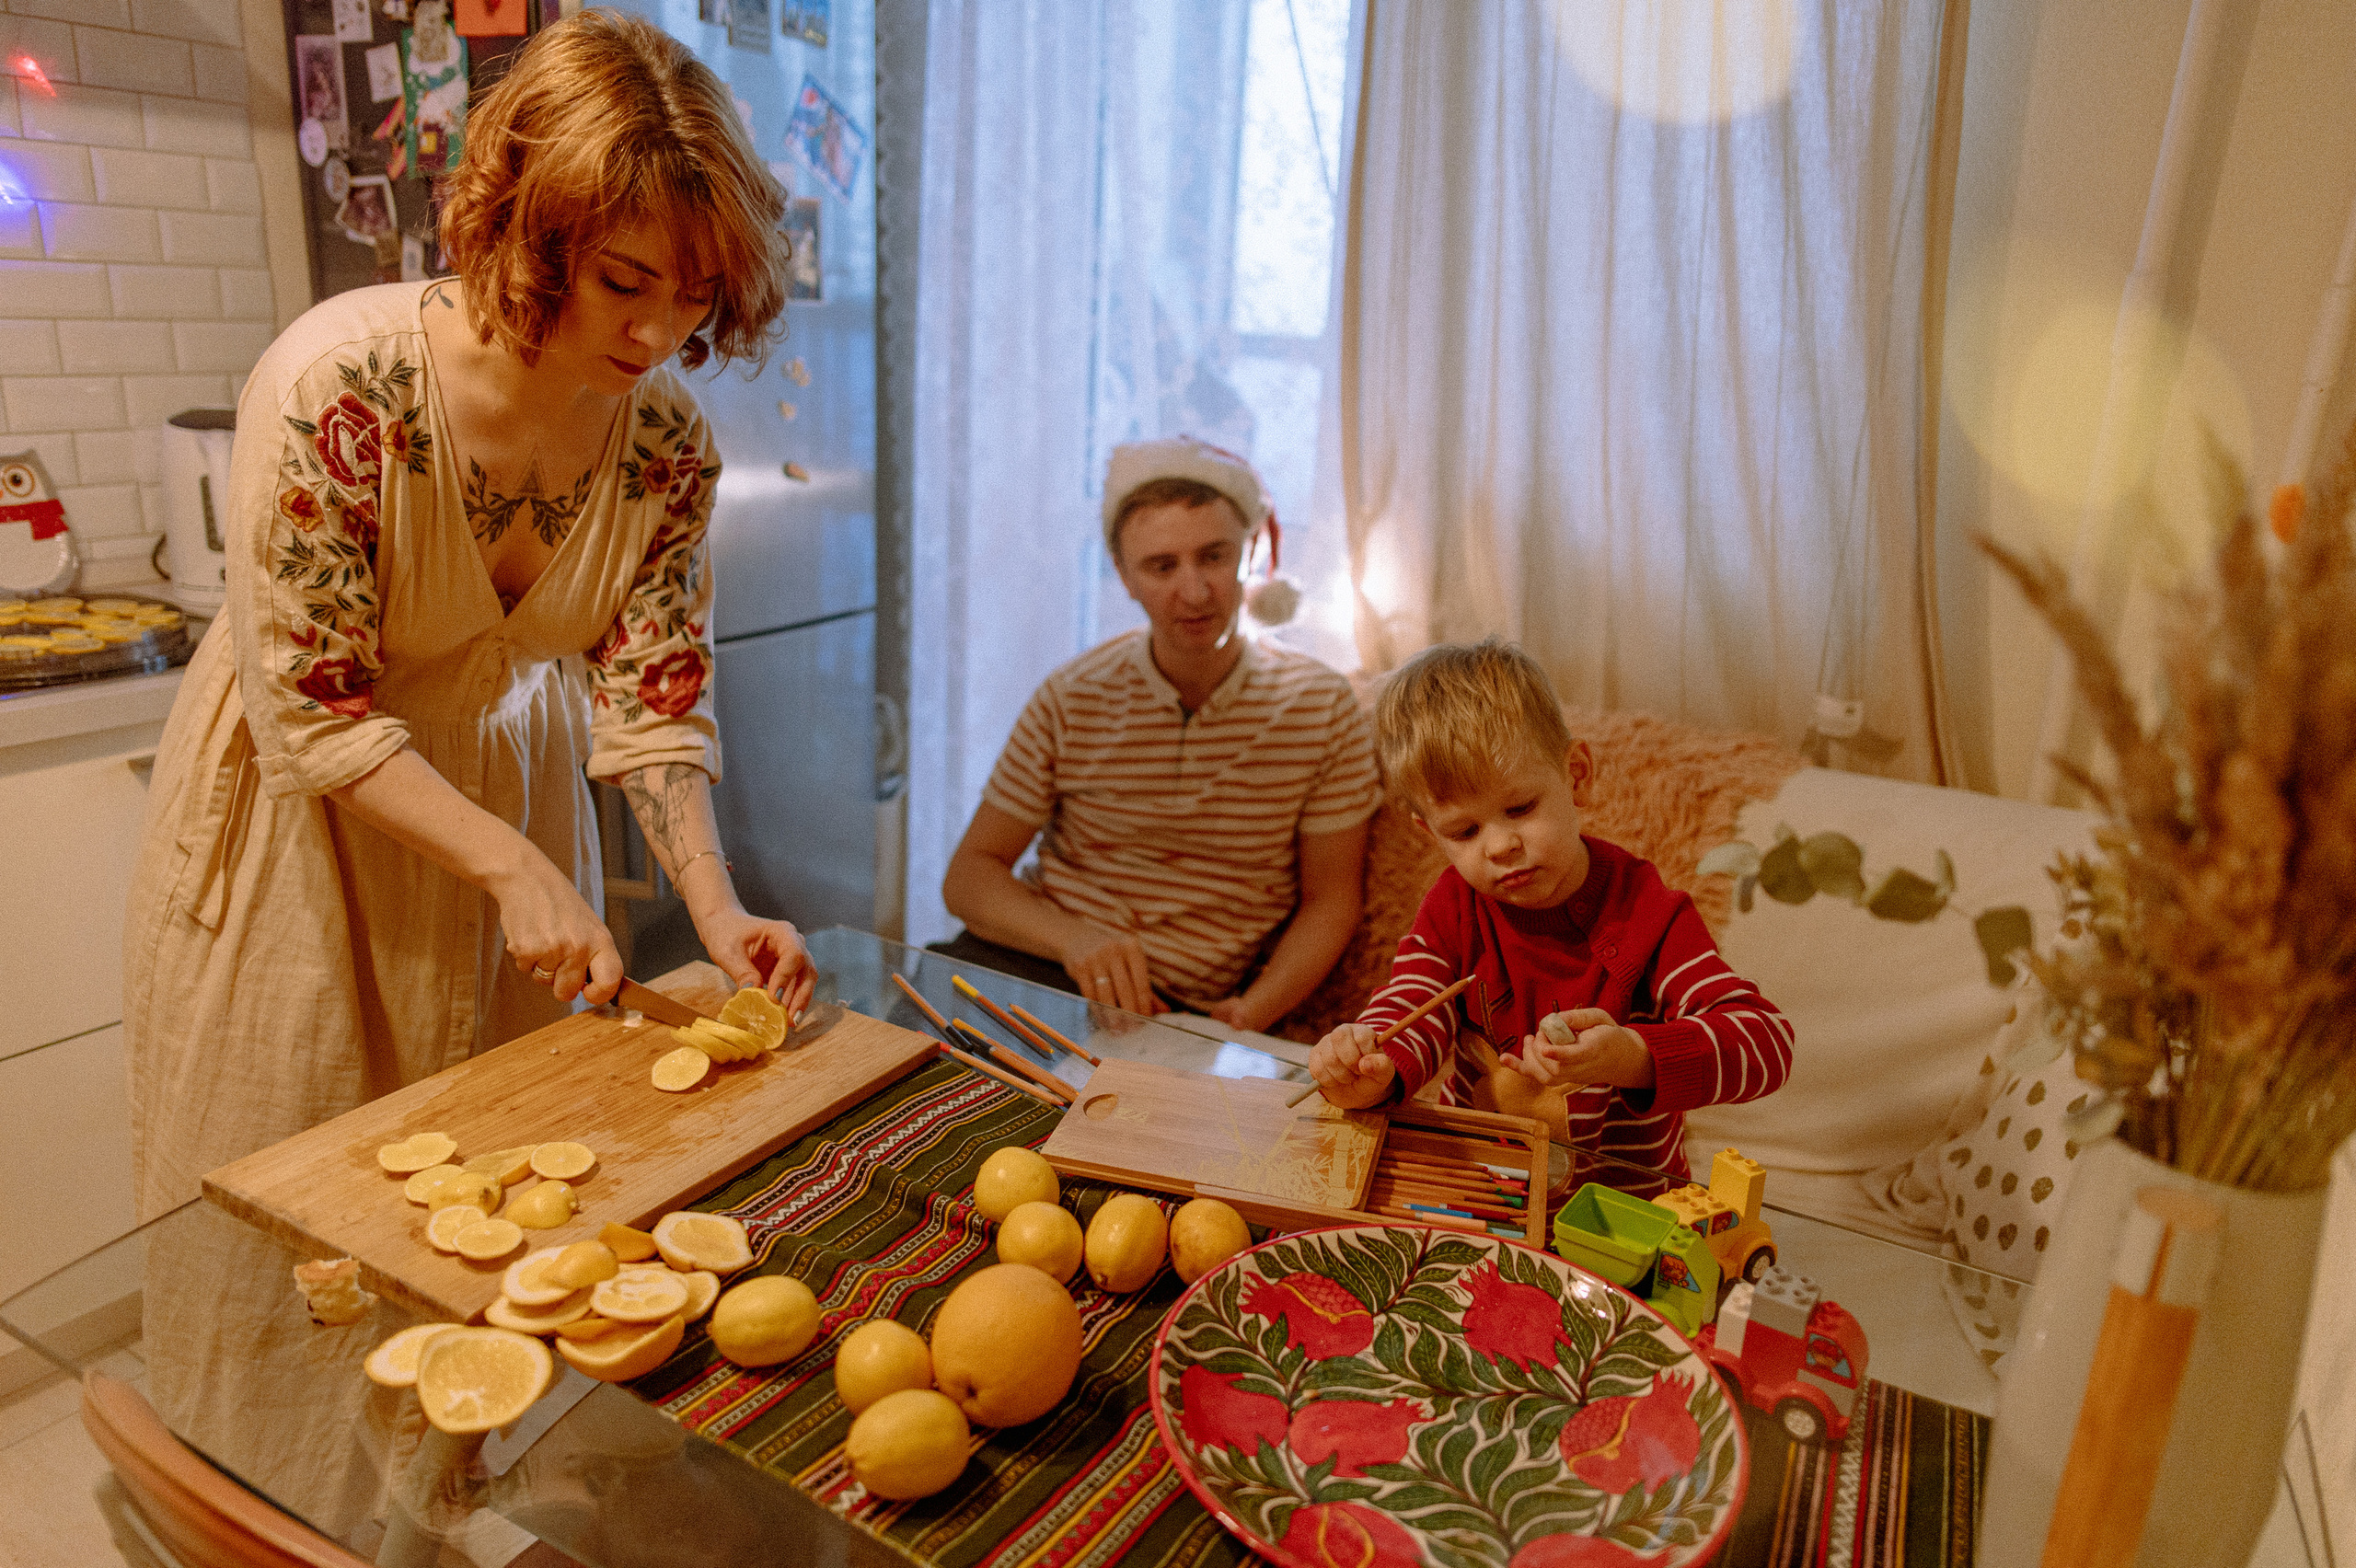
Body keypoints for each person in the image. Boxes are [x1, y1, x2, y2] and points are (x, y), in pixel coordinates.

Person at [121, 11, 813, 1532]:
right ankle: (257, 1519)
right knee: (289, 1178)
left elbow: (652, 690)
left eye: (689, 297)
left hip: (507, 793)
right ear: (523, 224)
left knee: (491, 1186)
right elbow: (310, 707)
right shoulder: (341, 382)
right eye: (624, 282)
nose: (650, 335)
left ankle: (426, 1510)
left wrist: (713, 904)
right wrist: (512, 865)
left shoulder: (664, 447)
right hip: (309, 819)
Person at [1304, 640, 1792, 1194]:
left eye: (1520, 808)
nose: (1501, 845)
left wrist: (1631, 1056)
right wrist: (1369, 1066)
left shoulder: (1645, 911)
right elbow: (1413, 1007)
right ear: (1429, 833)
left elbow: (1766, 1043)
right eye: (1465, 831)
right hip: (1480, 1194)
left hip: (1623, 1212)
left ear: (1576, 775)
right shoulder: (1454, 906)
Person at [940, 437, 1380, 1032]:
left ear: (1250, 553)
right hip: (1027, 966)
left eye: (1215, 557)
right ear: (1124, 577)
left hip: (1174, 1011)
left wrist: (1250, 1014)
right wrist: (1079, 941)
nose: (1194, 592)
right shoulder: (1072, 696)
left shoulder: (1322, 708)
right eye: (1162, 566)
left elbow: (1331, 900)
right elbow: (969, 877)